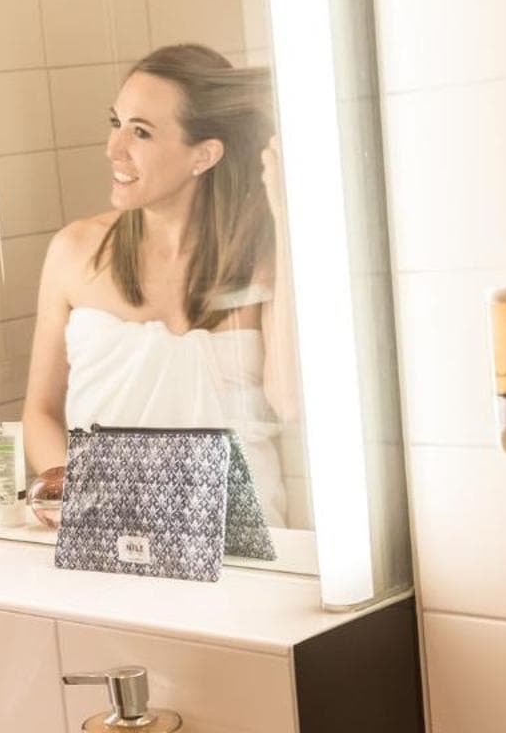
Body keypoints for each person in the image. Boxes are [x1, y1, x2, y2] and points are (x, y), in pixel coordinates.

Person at [21, 43, 299, 527]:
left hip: (239, 542)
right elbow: (40, 411)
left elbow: (290, 401)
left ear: (204, 155)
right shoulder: (75, 252)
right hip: (110, 535)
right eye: (116, 123)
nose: (114, 149)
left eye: (141, 132)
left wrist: (285, 222)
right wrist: (71, 495)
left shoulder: (261, 263)